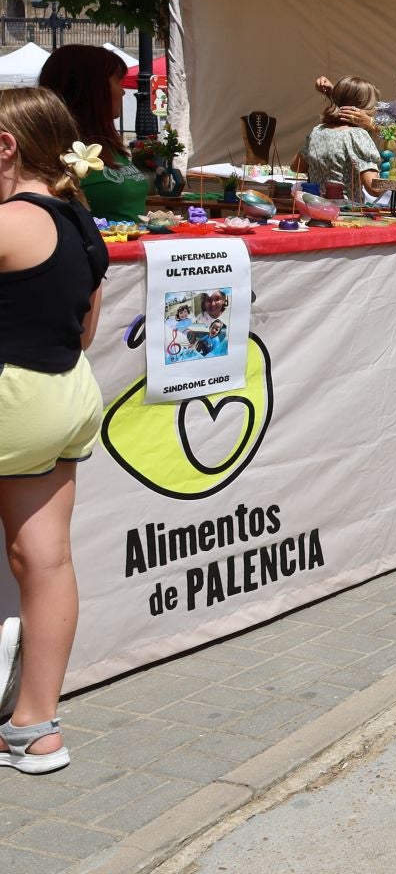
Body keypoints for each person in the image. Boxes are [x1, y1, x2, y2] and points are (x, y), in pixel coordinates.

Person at [0, 87, 109, 774]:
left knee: (39, 561)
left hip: (13, 397)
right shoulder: (79, 220)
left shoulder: (11, 220)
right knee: (47, 561)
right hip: (66, 394)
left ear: (6, 146)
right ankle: (35, 728)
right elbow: (87, 330)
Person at [36, 45, 145, 222]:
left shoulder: (108, 144)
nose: (123, 91)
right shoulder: (54, 152)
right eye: (118, 81)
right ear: (93, 89)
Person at [295, 77, 381, 196]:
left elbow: (297, 167)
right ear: (362, 108)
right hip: (345, 206)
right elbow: (374, 188)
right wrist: (393, 180)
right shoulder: (357, 135)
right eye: (373, 106)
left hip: (315, 204)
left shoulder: (317, 131)